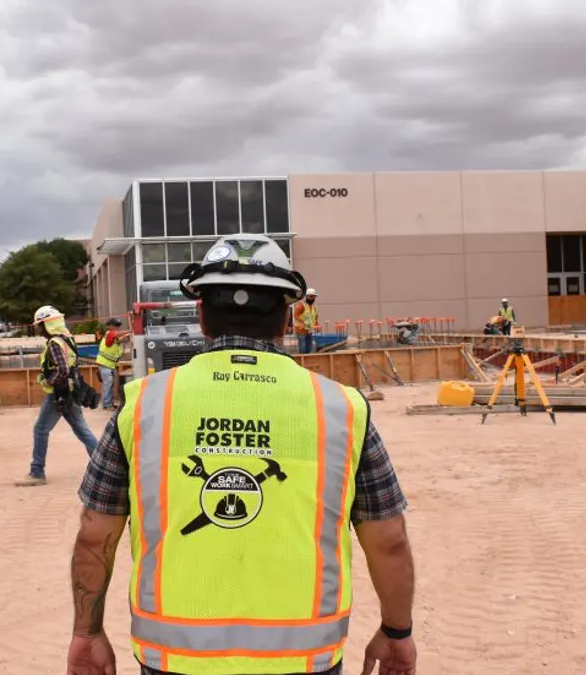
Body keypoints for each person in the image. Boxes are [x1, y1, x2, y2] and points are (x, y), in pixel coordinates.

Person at [66, 234, 417, 675]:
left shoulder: (143, 405)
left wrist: (87, 633)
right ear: (288, 317)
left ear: (201, 315)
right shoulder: (342, 410)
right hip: (302, 661)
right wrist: (397, 632)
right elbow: (389, 540)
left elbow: (95, 536)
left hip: (177, 660)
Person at [13, 305, 98, 487]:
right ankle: (105, 467)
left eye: (41, 326)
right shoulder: (67, 339)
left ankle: (37, 472)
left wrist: (47, 381)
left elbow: (62, 370)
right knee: (83, 431)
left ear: (48, 325)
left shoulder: (54, 344)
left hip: (59, 394)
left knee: (40, 430)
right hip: (71, 391)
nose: (40, 330)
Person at [95, 317, 129, 411]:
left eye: (119, 326)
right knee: (108, 383)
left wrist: (124, 340)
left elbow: (116, 342)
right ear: (111, 326)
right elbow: (115, 334)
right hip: (105, 364)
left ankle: (108, 403)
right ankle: (107, 404)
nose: (118, 328)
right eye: (116, 326)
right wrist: (130, 330)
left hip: (109, 365)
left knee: (109, 384)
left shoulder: (113, 337)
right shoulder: (110, 333)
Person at [293, 287, 319, 354]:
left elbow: (315, 317)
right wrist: (303, 321)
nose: (313, 298)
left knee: (309, 348)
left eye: (314, 296)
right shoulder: (301, 305)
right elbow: (296, 315)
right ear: (306, 296)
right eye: (311, 296)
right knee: (303, 348)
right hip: (301, 330)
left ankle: (307, 362)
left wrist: (317, 325)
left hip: (309, 330)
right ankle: (302, 361)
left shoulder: (314, 307)